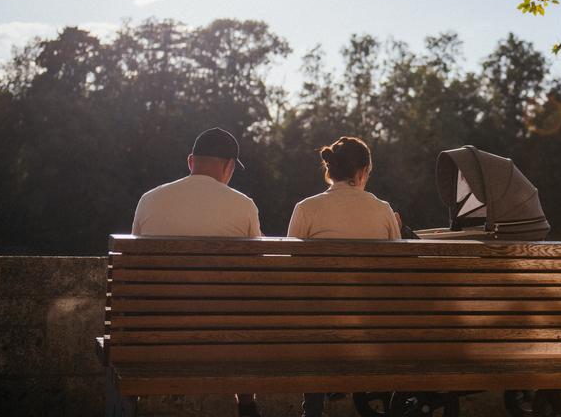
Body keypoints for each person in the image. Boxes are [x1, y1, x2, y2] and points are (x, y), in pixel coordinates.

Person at [131, 127, 263, 417]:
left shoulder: (149, 200)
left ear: (191, 161)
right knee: (243, 311)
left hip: (152, 335)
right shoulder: (244, 206)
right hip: (225, 336)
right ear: (229, 167)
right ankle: (246, 403)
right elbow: (256, 272)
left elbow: (138, 270)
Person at [287, 136, 400, 417]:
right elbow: (396, 273)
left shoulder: (305, 208)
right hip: (371, 324)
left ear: (331, 171)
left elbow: (290, 270)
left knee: (314, 312)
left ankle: (313, 406)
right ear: (362, 172)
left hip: (318, 328)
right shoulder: (383, 210)